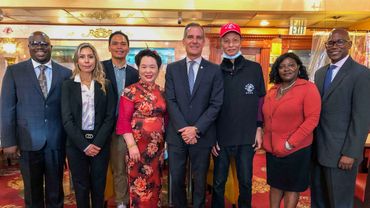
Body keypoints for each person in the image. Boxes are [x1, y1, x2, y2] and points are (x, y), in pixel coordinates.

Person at [0, 31, 71, 208]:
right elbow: (7, 107)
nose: (40, 47)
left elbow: (68, 110)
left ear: (51, 47)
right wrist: (8, 141)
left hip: (56, 141)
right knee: (32, 191)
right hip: (28, 141)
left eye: (44, 44)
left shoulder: (65, 73)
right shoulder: (14, 71)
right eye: (35, 43)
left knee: (56, 191)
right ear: (29, 47)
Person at [165, 22, 224, 208]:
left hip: (203, 135)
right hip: (177, 134)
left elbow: (216, 104)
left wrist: (196, 129)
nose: (194, 41)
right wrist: (185, 129)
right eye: (190, 37)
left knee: (200, 182)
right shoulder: (172, 69)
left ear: (204, 42)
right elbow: (170, 100)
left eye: (199, 37)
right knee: (176, 180)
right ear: (184, 41)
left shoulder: (215, 70)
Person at [311, 28, 370, 208]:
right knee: (318, 200)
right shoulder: (320, 73)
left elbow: (362, 117)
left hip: (341, 155)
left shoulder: (361, 74)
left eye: (339, 42)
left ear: (349, 45)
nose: (334, 46)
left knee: (339, 202)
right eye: (330, 42)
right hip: (317, 150)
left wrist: (351, 153)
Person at [211, 23, 266, 208]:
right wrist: (212, 137)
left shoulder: (255, 68)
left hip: (246, 136)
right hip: (221, 137)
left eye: (235, 40)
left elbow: (260, 100)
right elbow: (210, 107)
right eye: (227, 41)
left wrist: (259, 128)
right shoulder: (214, 71)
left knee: (246, 182)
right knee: (218, 183)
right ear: (222, 43)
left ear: (241, 42)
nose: (231, 44)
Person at [262, 52, 321, 208]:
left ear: (298, 68)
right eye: (281, 66)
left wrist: (289, 144)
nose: (286, 69)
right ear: (277, 70)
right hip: (273, 149)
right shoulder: (273, 90)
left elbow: (312, 120)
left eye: (291, 65)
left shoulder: (308, 88)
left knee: (291, 187)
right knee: (275, 184)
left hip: (296, 149)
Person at [61, 42, 115, 208]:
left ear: (95, 60)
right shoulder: (68, 85)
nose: (86, 60)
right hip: (76, 144)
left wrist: (97, 143)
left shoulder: (105, 84)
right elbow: (67, 119)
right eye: (82, 57)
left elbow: (109, 117)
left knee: (99, 186)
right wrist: (84, 145)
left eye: (90, 57)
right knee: (81, 185)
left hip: (100, 143)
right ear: (77, 60)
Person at [116, 49, 166, 207]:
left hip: (157, 150)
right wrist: (131, 146)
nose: (148, 71)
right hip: (137, 149)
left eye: (152, 67)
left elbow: (167, 119)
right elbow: (123, 121)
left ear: (158, 68)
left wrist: (167, 145)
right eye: (144, 67)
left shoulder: (162, 92)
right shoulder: (130, 92)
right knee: (139, 189)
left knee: (156, 185)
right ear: (138, 68)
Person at [102, 31, 139, 208]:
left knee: (120, 168)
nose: (119, 47)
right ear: (109, 47)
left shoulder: (134, 73)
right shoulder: (99, 68)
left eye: (123, 44)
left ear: (128, 48)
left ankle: (121, 202)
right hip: (100, 127)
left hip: (123, 128)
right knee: (99, 169)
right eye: (115, 43)